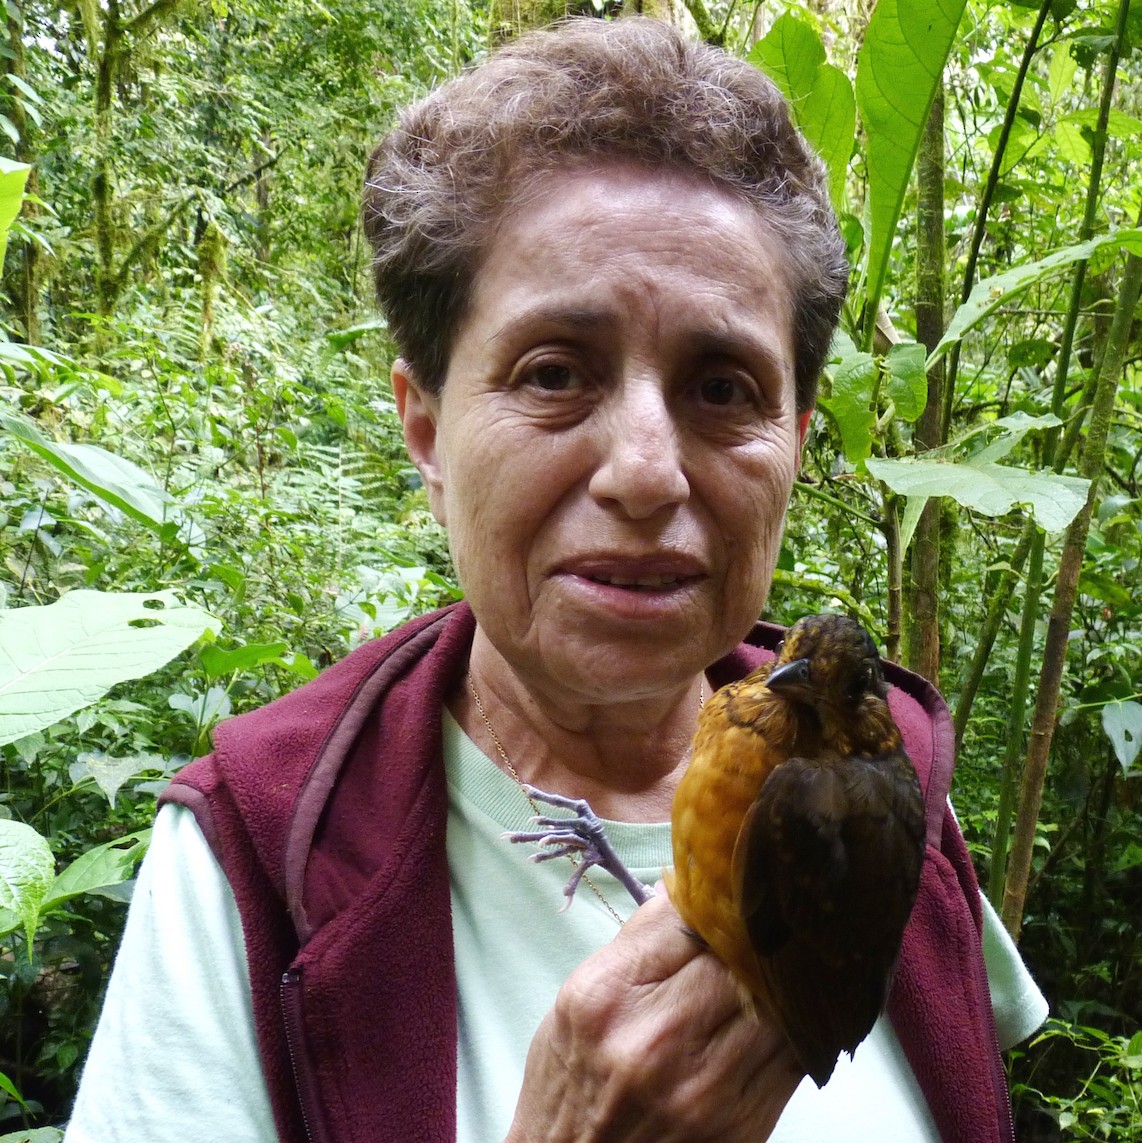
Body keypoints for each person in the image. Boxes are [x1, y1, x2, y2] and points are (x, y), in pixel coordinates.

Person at [65, 16, 1046, 1143]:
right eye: (553, 372)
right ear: (427, 431)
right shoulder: (254, 861)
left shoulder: (898, 780)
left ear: (795, 438)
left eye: (724, 387)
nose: (644, 471)